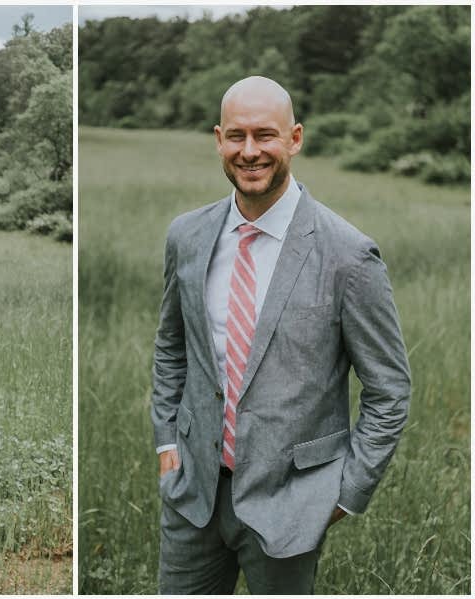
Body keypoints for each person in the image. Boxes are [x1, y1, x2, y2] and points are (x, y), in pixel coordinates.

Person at [151, 76, 411, 594]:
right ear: (218, 139)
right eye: (237, 136)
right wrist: (166, 443)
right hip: (193, 497)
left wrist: (342, 495)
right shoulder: (187, 235)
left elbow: (390, 392)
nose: (250, 152)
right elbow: (172, 347)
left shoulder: (349, 255)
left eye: (265, 136)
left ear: (295, 138)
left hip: (294, 508)